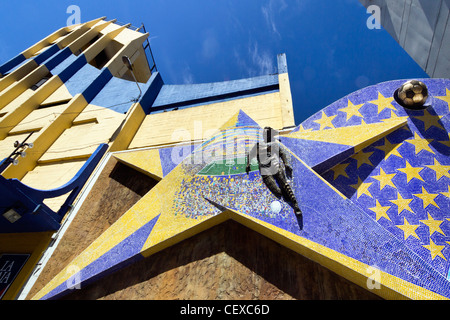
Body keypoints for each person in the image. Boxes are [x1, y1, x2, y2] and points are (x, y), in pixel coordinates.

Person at [246, 127, 303, 220]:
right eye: (267, 134)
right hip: (265, 170)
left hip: (275, 165)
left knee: (284, 184)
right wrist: (248, 164)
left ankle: (295, 204)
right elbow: (250, 154)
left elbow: (282, 154)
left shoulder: (275, 144)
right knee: (277, 191)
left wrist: (286, 164)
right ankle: (285, 197)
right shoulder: (258, 145)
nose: (268, 135)